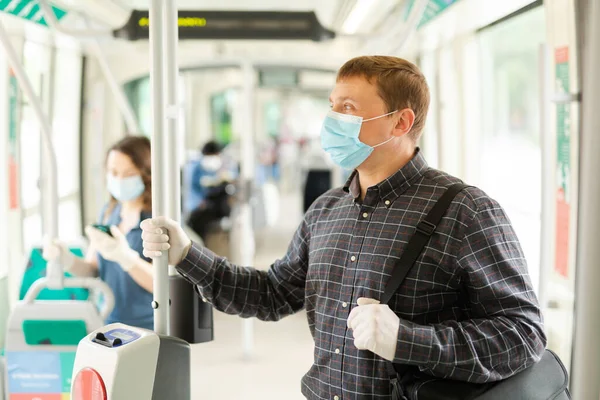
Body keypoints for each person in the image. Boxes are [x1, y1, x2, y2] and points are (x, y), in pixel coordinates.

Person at [141, 56, 546, 398]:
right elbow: (272, 294)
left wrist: (408, 340)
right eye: (332, 106)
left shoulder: (465, 210)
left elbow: (523, 335)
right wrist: (188, 256)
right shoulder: (326, 209)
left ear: (400, 122)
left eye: (348, 108)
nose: (333, 119)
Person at [44, 136, 155, 330]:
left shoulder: (156, 220)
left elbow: (161, 285)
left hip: (148, 325)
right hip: (109, 320)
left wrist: (127, 258)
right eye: (114, 172)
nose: (120, 180)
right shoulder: (108, 213)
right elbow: (92, 269)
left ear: (145, 174)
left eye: (128, 174)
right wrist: (65, 258)